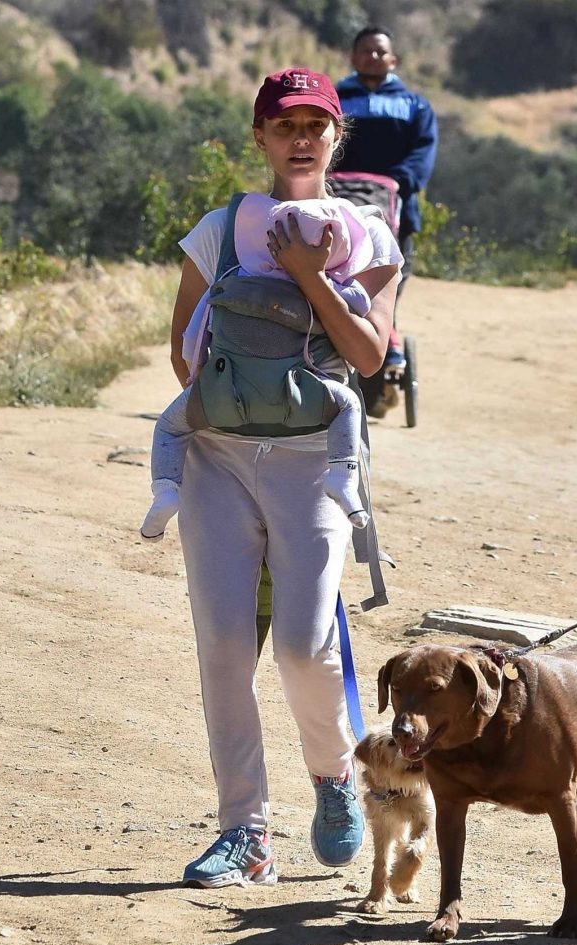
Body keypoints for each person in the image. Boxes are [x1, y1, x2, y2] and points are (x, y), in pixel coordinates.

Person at [167, 67, 401, 888]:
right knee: (225, 648)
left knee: (305, 647)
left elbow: (371, 357)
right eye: (283, 124)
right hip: (218, 456)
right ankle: (245, 832)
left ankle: (334, 780)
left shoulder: (367, 234)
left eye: (316, 124)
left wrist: (305, 276)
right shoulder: (220, 226)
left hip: (313, 461)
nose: (300, 137)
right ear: (259, 136)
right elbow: (182, 350)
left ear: (338, 137)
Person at [139, 193, 379, 543]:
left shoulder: (236, 268)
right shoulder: (336, 282)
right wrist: (316, 278)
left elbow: (188, 344)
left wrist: (211, 397)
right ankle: (343, 476)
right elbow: (364, 329)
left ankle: (165, 490)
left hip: (224, 401)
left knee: (169, 428)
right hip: (303, 400)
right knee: (350, 404)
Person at [335, 26, 437, 403]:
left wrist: (397, 181)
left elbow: (422, 154)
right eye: (366, 51)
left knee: (382, 290)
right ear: (353, 56)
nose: (373, 57)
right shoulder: (335, 99)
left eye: (380, 52)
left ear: (392, 60)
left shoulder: (415, 106)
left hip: (396, 216)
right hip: (338, 211)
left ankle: (379, 366)